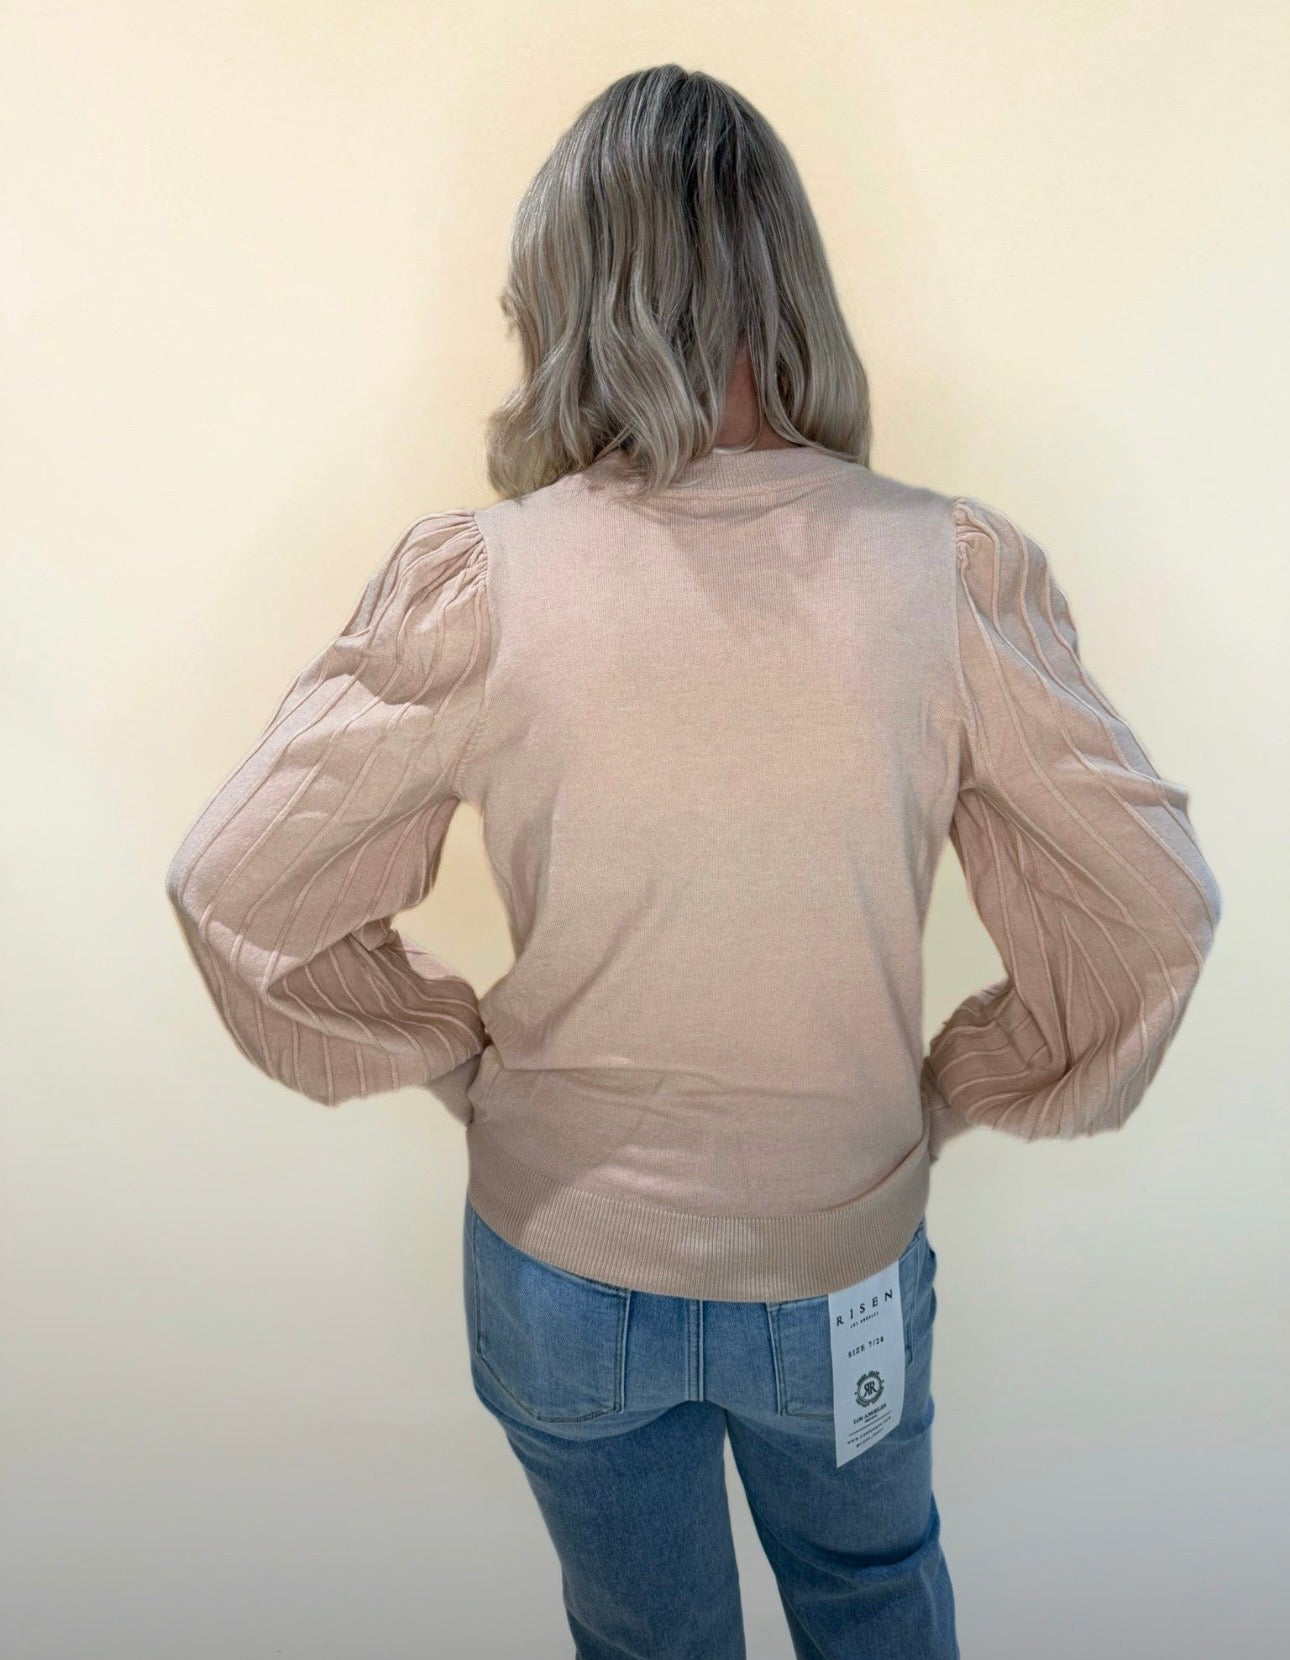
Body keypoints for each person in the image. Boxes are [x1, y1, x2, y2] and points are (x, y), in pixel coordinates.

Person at [163, 64, 1222, 1660]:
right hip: (839, 1268)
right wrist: (947, 1084)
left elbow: (237, 887)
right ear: (784, 277)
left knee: (644, 1642)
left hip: (559, 1272)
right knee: (873, 1603)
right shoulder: (942, 572)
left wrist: (463, 1053)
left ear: (569, 292)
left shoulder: (485, 580)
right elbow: (1150, 914)